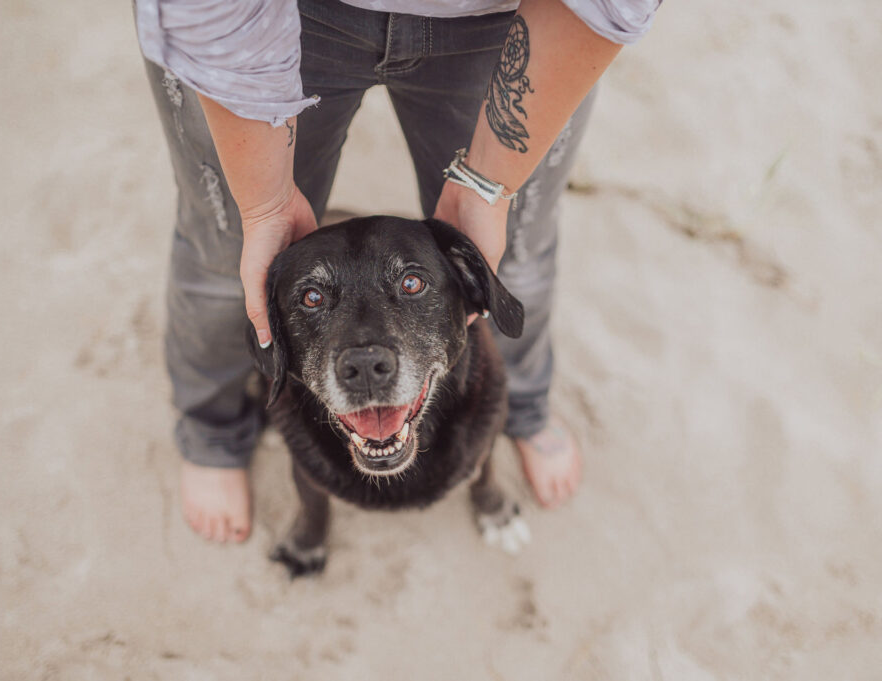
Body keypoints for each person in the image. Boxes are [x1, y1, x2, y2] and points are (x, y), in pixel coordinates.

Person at [136, 0, 659, 542]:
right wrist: (265, 207)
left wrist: (490, 186)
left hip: (511, 17)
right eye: (314, 299)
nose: (366, 362)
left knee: (514, 248)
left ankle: (523, 411)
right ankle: (213, 436)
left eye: (412, 284)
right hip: (271, 16)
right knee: (229, 256)